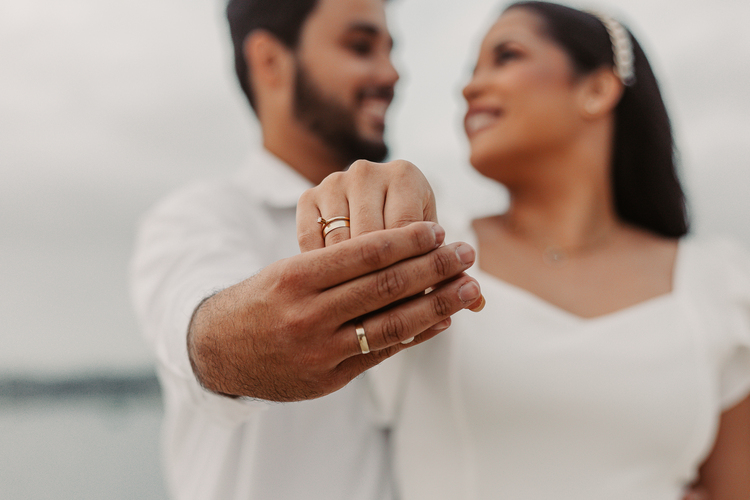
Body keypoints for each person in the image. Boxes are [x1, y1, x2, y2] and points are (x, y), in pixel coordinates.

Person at [298, 2, 750, 499]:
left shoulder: (718, 286)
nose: (468, 87)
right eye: (472, 69)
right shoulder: (431, 250)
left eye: (506, 56)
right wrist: (373, 199)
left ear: (597, 89)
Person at [129, 0, 484, 498]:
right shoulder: (197, 218)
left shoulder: (437, 214)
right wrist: (246, 340)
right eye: (360, 46)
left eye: (391, 50)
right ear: (271, 61)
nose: (391, 73)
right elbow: (198, 332)